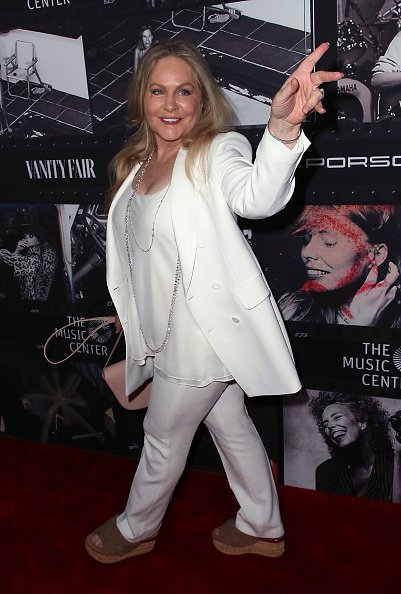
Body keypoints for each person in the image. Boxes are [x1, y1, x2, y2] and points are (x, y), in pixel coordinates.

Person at [84, 38, 342, 564]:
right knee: (230, 425)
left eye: (184, 91)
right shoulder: (135, 166)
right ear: (142, 98)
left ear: (202, 100)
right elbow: (143, 257)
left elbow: (257, 197)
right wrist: (127, 308)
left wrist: (283, 130)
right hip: (168, 328)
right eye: (158, 91)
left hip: (203, 336)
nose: (171, 104)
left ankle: (138, 528)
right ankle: (264, 525)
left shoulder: (217, 151)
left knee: (161, 437)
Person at [278, 204, 401, 326]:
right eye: (306, 240)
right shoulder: (291, 309)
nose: (306, 252)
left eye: (328, 242)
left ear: (377, 254)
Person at [309, 391, 401, 503]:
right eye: (325, 424)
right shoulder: (325, 471)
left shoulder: (395, 463)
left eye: (337, 417)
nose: (330, 426)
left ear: (361, 422)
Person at [0, 224, 59, 301]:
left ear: (39, 238)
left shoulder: (43, 253)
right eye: (25, 236)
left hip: (35, 301)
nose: (26, 238)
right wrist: (18, 250)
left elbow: (15, 262)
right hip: (29, 298)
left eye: (31, 236)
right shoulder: (33, 250)